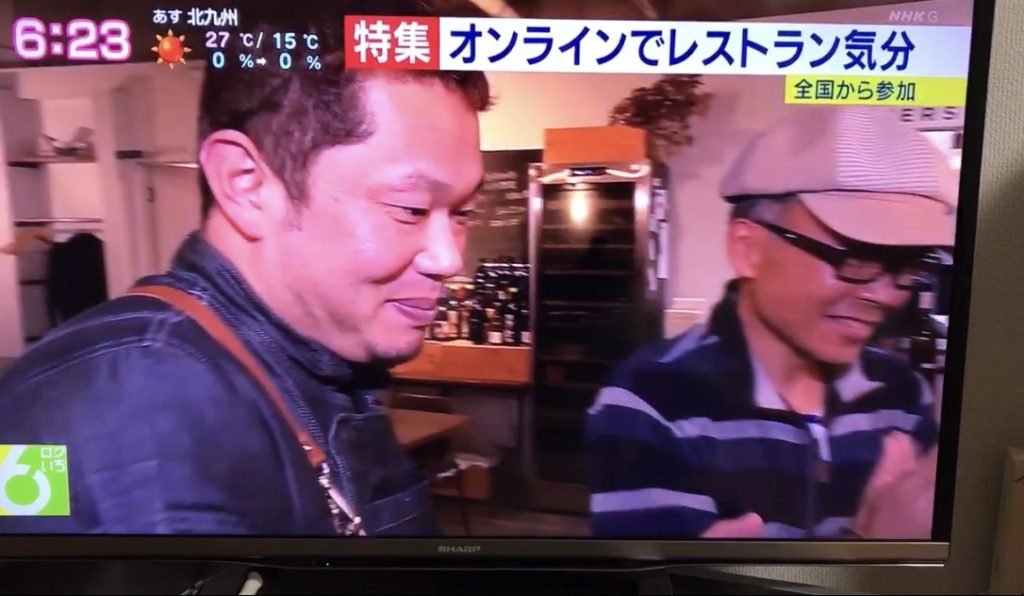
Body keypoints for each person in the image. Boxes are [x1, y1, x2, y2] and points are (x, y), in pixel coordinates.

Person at [0, 0, 491, 535]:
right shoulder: (105, 408)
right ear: (246, 184)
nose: (449, 258)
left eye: (463, 213)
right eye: (410, 209)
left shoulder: (323, 369)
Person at [586, 106, 955, 539]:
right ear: (749, 249)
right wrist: (875, 547)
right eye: (856, 258)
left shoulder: (900, 393)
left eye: (908, 268)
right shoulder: (652, 399)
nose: (885, 295)